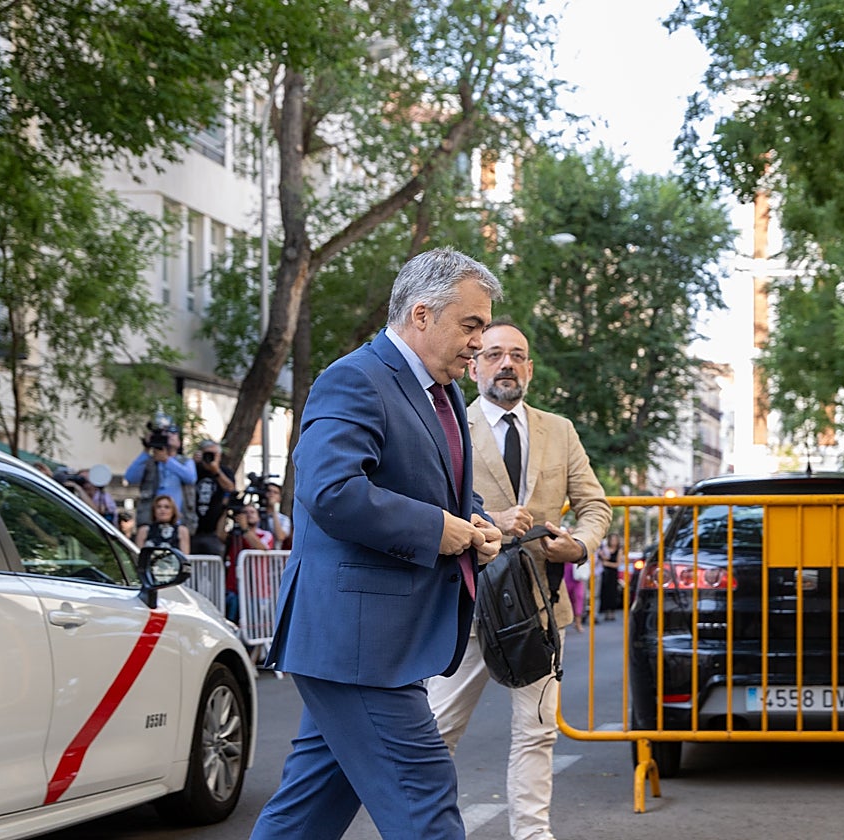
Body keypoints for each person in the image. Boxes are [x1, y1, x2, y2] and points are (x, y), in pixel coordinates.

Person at [249, 248, 504, 840]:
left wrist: (477, 522)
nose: (478, 342)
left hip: (368, 644)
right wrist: (437, 531)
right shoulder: (354, 377)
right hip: (357, 643)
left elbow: (420, 486)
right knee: (425, 796)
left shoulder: (439, 395)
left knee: (304, 817)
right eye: (470, 326)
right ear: (421, 314)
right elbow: (330, 489)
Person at [427, 318, 611, 840]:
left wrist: (579, 544)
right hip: (466, 604)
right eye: (493, 354)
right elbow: (433, 508)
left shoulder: (560, 430)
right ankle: (430, 830)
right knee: (438, 731)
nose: (505, 363)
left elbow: (595, 503)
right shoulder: (448, 428)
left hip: (539, 607)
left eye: (516, 355)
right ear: (475, 364)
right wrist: (487, 526)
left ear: (528, 367)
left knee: (536, 732)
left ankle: (532, 835)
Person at [125, 424, 197, 530]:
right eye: (165, 433)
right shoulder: (149, 461)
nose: (169, 435)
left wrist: (166, 460)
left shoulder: (185, 462)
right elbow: (130, 478)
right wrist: (146, 449)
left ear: (179, 442)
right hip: (150, 521)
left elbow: (190, 478)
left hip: (179, 521)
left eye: (173, 433)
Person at [224, 503, 273, 623]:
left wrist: (244, 528)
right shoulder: (235, 534)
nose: (248, 515)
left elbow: (261, 547)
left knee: (252, 625)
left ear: (259, 517)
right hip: (233, 588)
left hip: (255, 590)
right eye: (245, 512)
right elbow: (220, 536)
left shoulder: (265, 534)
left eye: (252, 512)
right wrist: (224, 512)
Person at [192, 439, 236, 556]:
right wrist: (192, 463)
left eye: (213, 454)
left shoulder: (225, 471)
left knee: (215, 566)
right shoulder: (193, 470)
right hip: (192, 528)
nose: (209, 457)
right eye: (206, 453)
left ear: (219, 456)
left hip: (214, 530)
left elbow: (230, 488)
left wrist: (216, 470)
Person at [597, 533, 622, 620]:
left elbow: (617, 564)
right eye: (612, 540)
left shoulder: (619, 550)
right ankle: (606, 611)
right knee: (605, 592)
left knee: (612, 593)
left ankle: (612, 612)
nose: (613, 541)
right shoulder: (605, 549)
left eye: (615, 540)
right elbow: (603, 557)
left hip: (613, 574)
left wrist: (607, 563)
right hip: (604, 573)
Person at [262, 482, 292, 547]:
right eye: (269, 491)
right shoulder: (256, 514)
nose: (271, 494)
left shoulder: (284, 519)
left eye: (275, 492)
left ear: (279, 498)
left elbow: (280, 537)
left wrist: (273, 509)